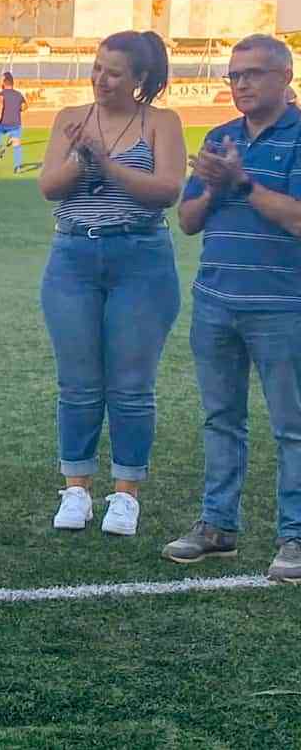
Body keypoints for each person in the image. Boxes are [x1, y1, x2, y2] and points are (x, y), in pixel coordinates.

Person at [163, 34, 301, 583]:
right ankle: (218, 526)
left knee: (292, 427)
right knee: (221, 419)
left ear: (285, 77)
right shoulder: (220, 138)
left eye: (253, 74)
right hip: (216, 302)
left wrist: (240, 183)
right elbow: (189, 220)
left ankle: (294, 535)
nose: (240, 84)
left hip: (284, 306)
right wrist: (216, 187)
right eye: (234, 75)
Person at [37, 31, 185, 537]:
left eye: (114, 72)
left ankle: (126, 494)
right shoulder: (70, 119)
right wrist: (82, 157)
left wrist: (106, 162)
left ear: (140, 79)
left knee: (131, 386)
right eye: (98, 67)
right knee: (77, 383)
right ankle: (76, 488)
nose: (101, 79)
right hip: (73, 256)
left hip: (140, 258)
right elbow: (48, 187)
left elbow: (165, 191)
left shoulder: (161, 123)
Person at [0, 72, 28, 173]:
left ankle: (1, 145)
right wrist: (18, 110)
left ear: (4, 82)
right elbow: (25, 106)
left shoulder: (1, 94)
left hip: (4, 123)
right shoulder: (18, 94)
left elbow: (1, 106)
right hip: (16, 123)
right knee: (17, 144)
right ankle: (18, 167)